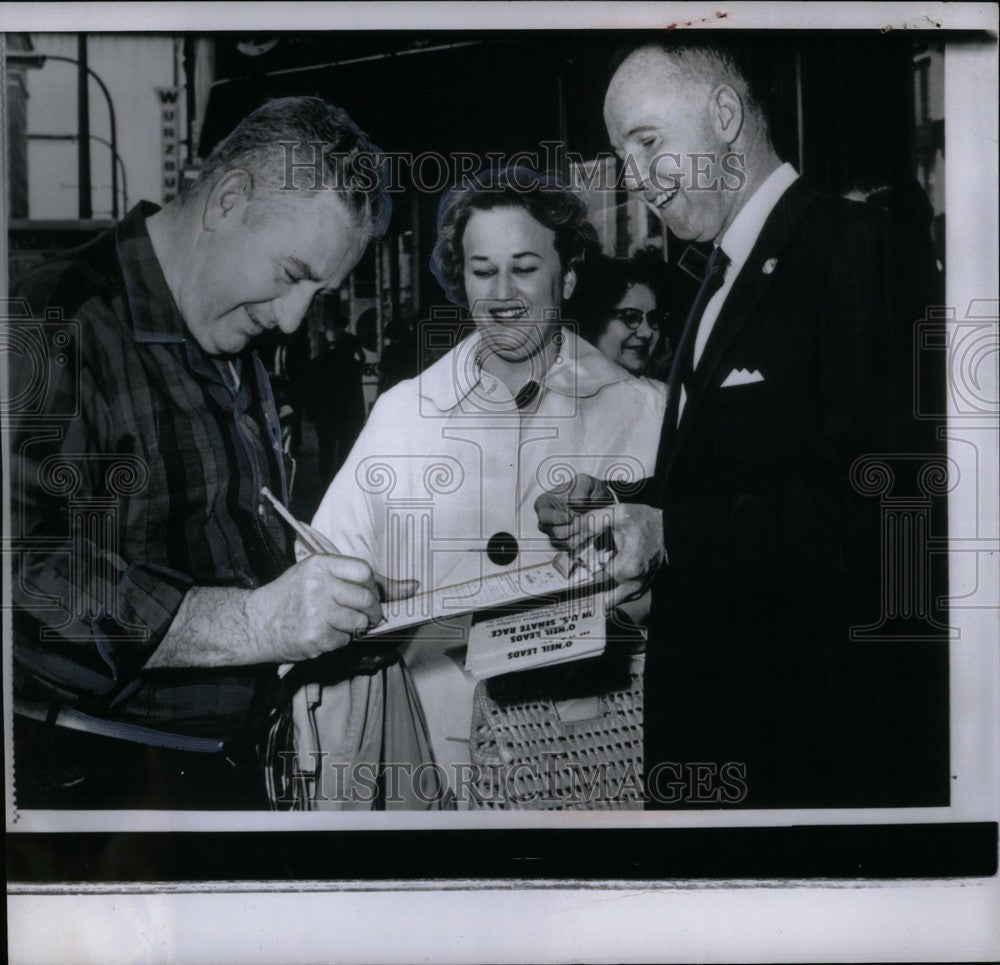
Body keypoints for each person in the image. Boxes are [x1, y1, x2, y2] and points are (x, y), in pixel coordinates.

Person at [535, 39, 949, 808]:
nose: (634, 180)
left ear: (725, 115)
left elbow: (887, 515)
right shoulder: (715, 273)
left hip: (807, 747)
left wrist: (673, 535)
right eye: (621, 157)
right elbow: (740, 475)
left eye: (648, 142)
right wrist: (623, 502)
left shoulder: (858, 250)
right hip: (718, 734)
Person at [9, 96, 404, 810]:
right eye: (290, 273)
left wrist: (328, 612)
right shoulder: (48, 318)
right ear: (226, 200)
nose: (292, 317)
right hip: (96, 790)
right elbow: (24, 578)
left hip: (221, 772)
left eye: (318, 295)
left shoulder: (232, 331)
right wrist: (256, 622)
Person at [277, 166, 666, 809]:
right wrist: (356, 601)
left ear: (566, 275)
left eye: (524, 267)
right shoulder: (405, 412)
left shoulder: (643, 410)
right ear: (462, 281)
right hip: (436, 754)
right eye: (483, 270)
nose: (503, 292)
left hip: (594, 753)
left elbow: (685, 573)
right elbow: (322, 563)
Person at [565, 246, 671, 379]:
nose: (647, 332)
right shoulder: (564, 391)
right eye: (631, 317)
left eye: (654, 318)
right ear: (595, 320)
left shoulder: (661, 394)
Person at [305, 309, 368, 485]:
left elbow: (313, 390)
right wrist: (360, 415)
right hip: (347, 414)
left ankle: (326, 482)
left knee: (326, 448)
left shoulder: (318, 363)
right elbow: (357, 393)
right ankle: (341, 480)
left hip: (326, 414)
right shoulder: (353, 367)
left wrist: (312, 411)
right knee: (346, 447)